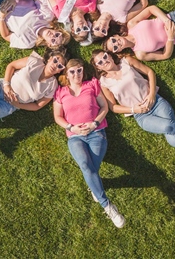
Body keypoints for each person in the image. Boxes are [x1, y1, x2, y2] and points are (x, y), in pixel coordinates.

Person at [91, 50, 175, 156]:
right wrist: (134, 110)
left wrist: (151, 95)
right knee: (173, 138)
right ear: (97, 67)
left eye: (104, 57)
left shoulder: (126, 62)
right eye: (100, 62)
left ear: (108, 55)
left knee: (173, 138)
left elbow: (149, 72)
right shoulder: (104, 83)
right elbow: (113, 107)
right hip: (141, 116)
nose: (104, 61)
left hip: (156, 103)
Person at [53, 59, 125, 228]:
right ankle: (108, 206)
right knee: (86, 166)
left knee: (92, 169)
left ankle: (95, 188)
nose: (76, 74)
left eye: (79, 70)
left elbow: (104, 107)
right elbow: (57, 117)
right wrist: (72, 127)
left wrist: (94, 123)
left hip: (96, 133)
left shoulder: (92, 84)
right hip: (75, 137)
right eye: (72, 71)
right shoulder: (60, 92)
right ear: (67, 74)